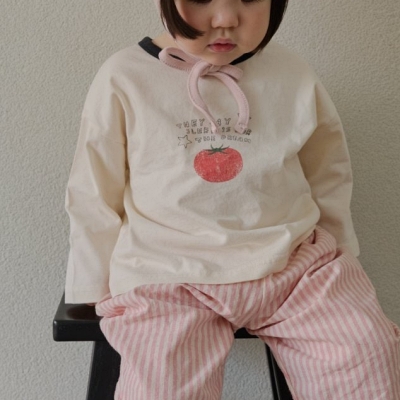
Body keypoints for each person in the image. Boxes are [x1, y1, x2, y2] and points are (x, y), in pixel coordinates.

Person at [64, 0, 400, 398]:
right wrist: (91, 284)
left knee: (365, 353)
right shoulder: (125, 76)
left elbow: (327, 169)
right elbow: (94, 187)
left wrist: (340, 244)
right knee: (162, 384)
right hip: (167, 272)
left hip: (295, 265)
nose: (225, 19)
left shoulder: (291, 72)